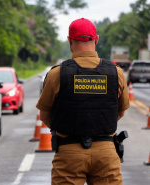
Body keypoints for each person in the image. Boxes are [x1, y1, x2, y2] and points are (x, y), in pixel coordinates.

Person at [36, 18, 130, 185]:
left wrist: (70, 126)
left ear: (70, 40)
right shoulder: (116, 73)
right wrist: (98, 124)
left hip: (68, 152)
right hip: (106, 153)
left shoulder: (57, 74)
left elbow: (44, 115)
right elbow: (121, 111)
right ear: (97, 39)